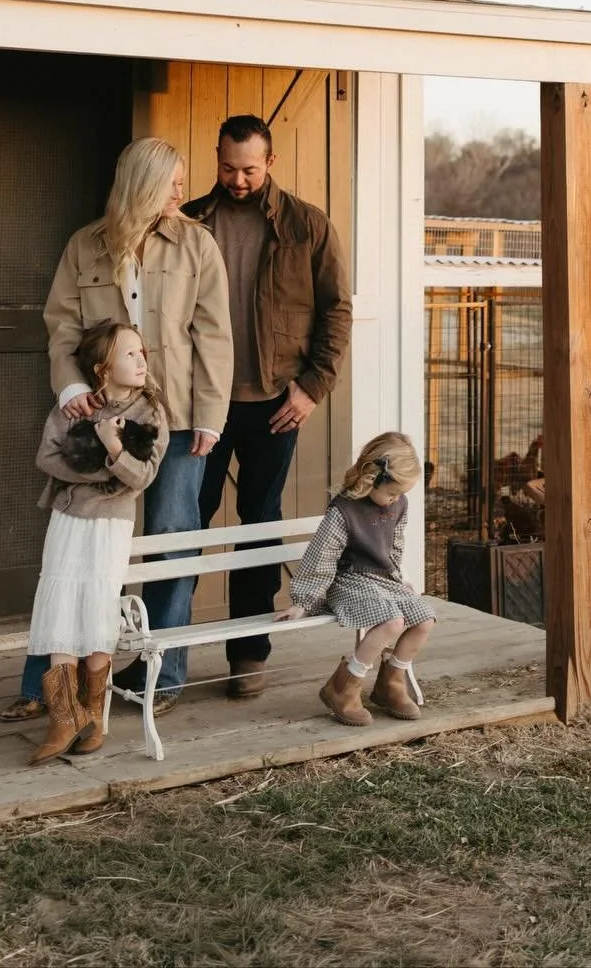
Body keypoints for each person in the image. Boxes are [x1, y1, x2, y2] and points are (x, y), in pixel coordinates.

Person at [0, 137, 232, 721]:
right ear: (142, 183)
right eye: (173, 181)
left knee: (175, 536)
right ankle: (49, 680)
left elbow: (214, 336)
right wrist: (71, 386)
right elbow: (61, 326)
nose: (183, 191)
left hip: (174, 417)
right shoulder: (86, 246)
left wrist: (210, 415)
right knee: (77, 542)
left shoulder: (196, 244)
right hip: (98, 418)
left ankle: (166, 673)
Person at [177, 113, 352, 699]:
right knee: (183, 525)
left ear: (270, 162)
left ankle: (249, 653)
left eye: (250, 168)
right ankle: (166, 656)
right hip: (200, 403)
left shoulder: (308, 226)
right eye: (228, 167)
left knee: (259, 523)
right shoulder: (191, 220)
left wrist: (311, 387)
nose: (238, 179)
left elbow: (336, 311)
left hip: (276, 401)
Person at [24, 320, 164, 762]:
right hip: (67, 518)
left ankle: (94, 714)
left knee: (98, 607)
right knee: (61, 602)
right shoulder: (76, 406)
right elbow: (46, 456)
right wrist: (106, 464)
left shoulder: (150, 412)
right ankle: (64, 714)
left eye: (143, 354)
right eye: (130, 354)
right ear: (102, 369)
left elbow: (142, 477)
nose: (142, 361)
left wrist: (114, 448)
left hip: (109, 525)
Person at [282, 431, 435, 727]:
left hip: (382, 579)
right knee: (393, 621)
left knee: (425, 618)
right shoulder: (344, 510)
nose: (395, 500)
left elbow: (395, 545)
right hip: (348, 580)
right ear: (373, 478)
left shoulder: (399, 503)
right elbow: (321, 556)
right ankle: (342, 688)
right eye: (391, 492)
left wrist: (398, 579)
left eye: (400, 494)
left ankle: (390, 683)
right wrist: (303, 601)